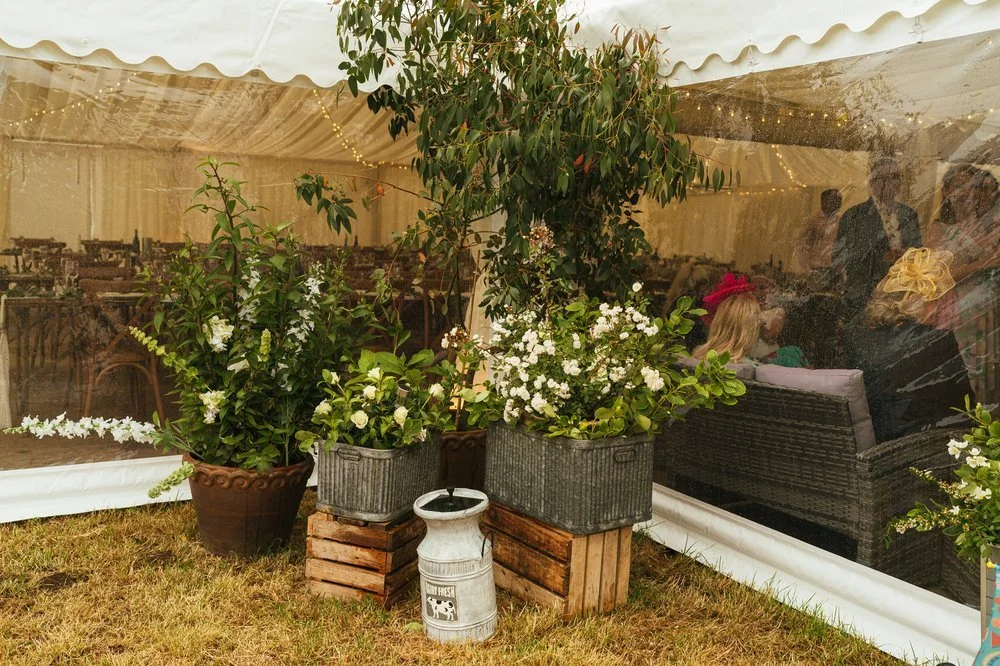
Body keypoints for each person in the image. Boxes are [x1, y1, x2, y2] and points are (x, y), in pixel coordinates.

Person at [843, 247, 974, 443]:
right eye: (935, 301)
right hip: (921, 450)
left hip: (871, 444)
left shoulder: (856, 333)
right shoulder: (936, 341)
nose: (939, 309)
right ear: (918, 301)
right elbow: (964, 409)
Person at [930, 165, 1000, 404]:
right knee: (965, 374)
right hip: (957, 312)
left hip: (988, 312)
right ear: (947, 190)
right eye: (959, 186)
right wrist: (985, 263)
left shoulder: (986, 225)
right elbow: (935, 276)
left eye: (971, 186)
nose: (965, 192)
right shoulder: (939, 228)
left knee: (990, 372)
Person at [833, 157, 922, 324]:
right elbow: (842, 259)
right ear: (873, 181)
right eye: (885, 177)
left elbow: (919, 253)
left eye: (895, 177)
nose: (891, 183)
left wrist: (907, 257)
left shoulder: (909, 214)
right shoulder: (854, 216)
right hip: (865, 300)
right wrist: (883, 258)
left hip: (902, 299)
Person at [692, 273, 808, 367]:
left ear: (718, 322)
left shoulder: (695, 359)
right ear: (750, 330)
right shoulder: (753, 369)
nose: (758, 292)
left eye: (762, 288)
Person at [793, 188, 842, 273]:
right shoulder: (812, 221)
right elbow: (800, 244)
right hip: (816, 268)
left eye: (838, 200)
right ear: (823, 202)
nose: (837, 203)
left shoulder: (840, 221)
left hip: (834, 269)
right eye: (834, 200)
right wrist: (806, 267)